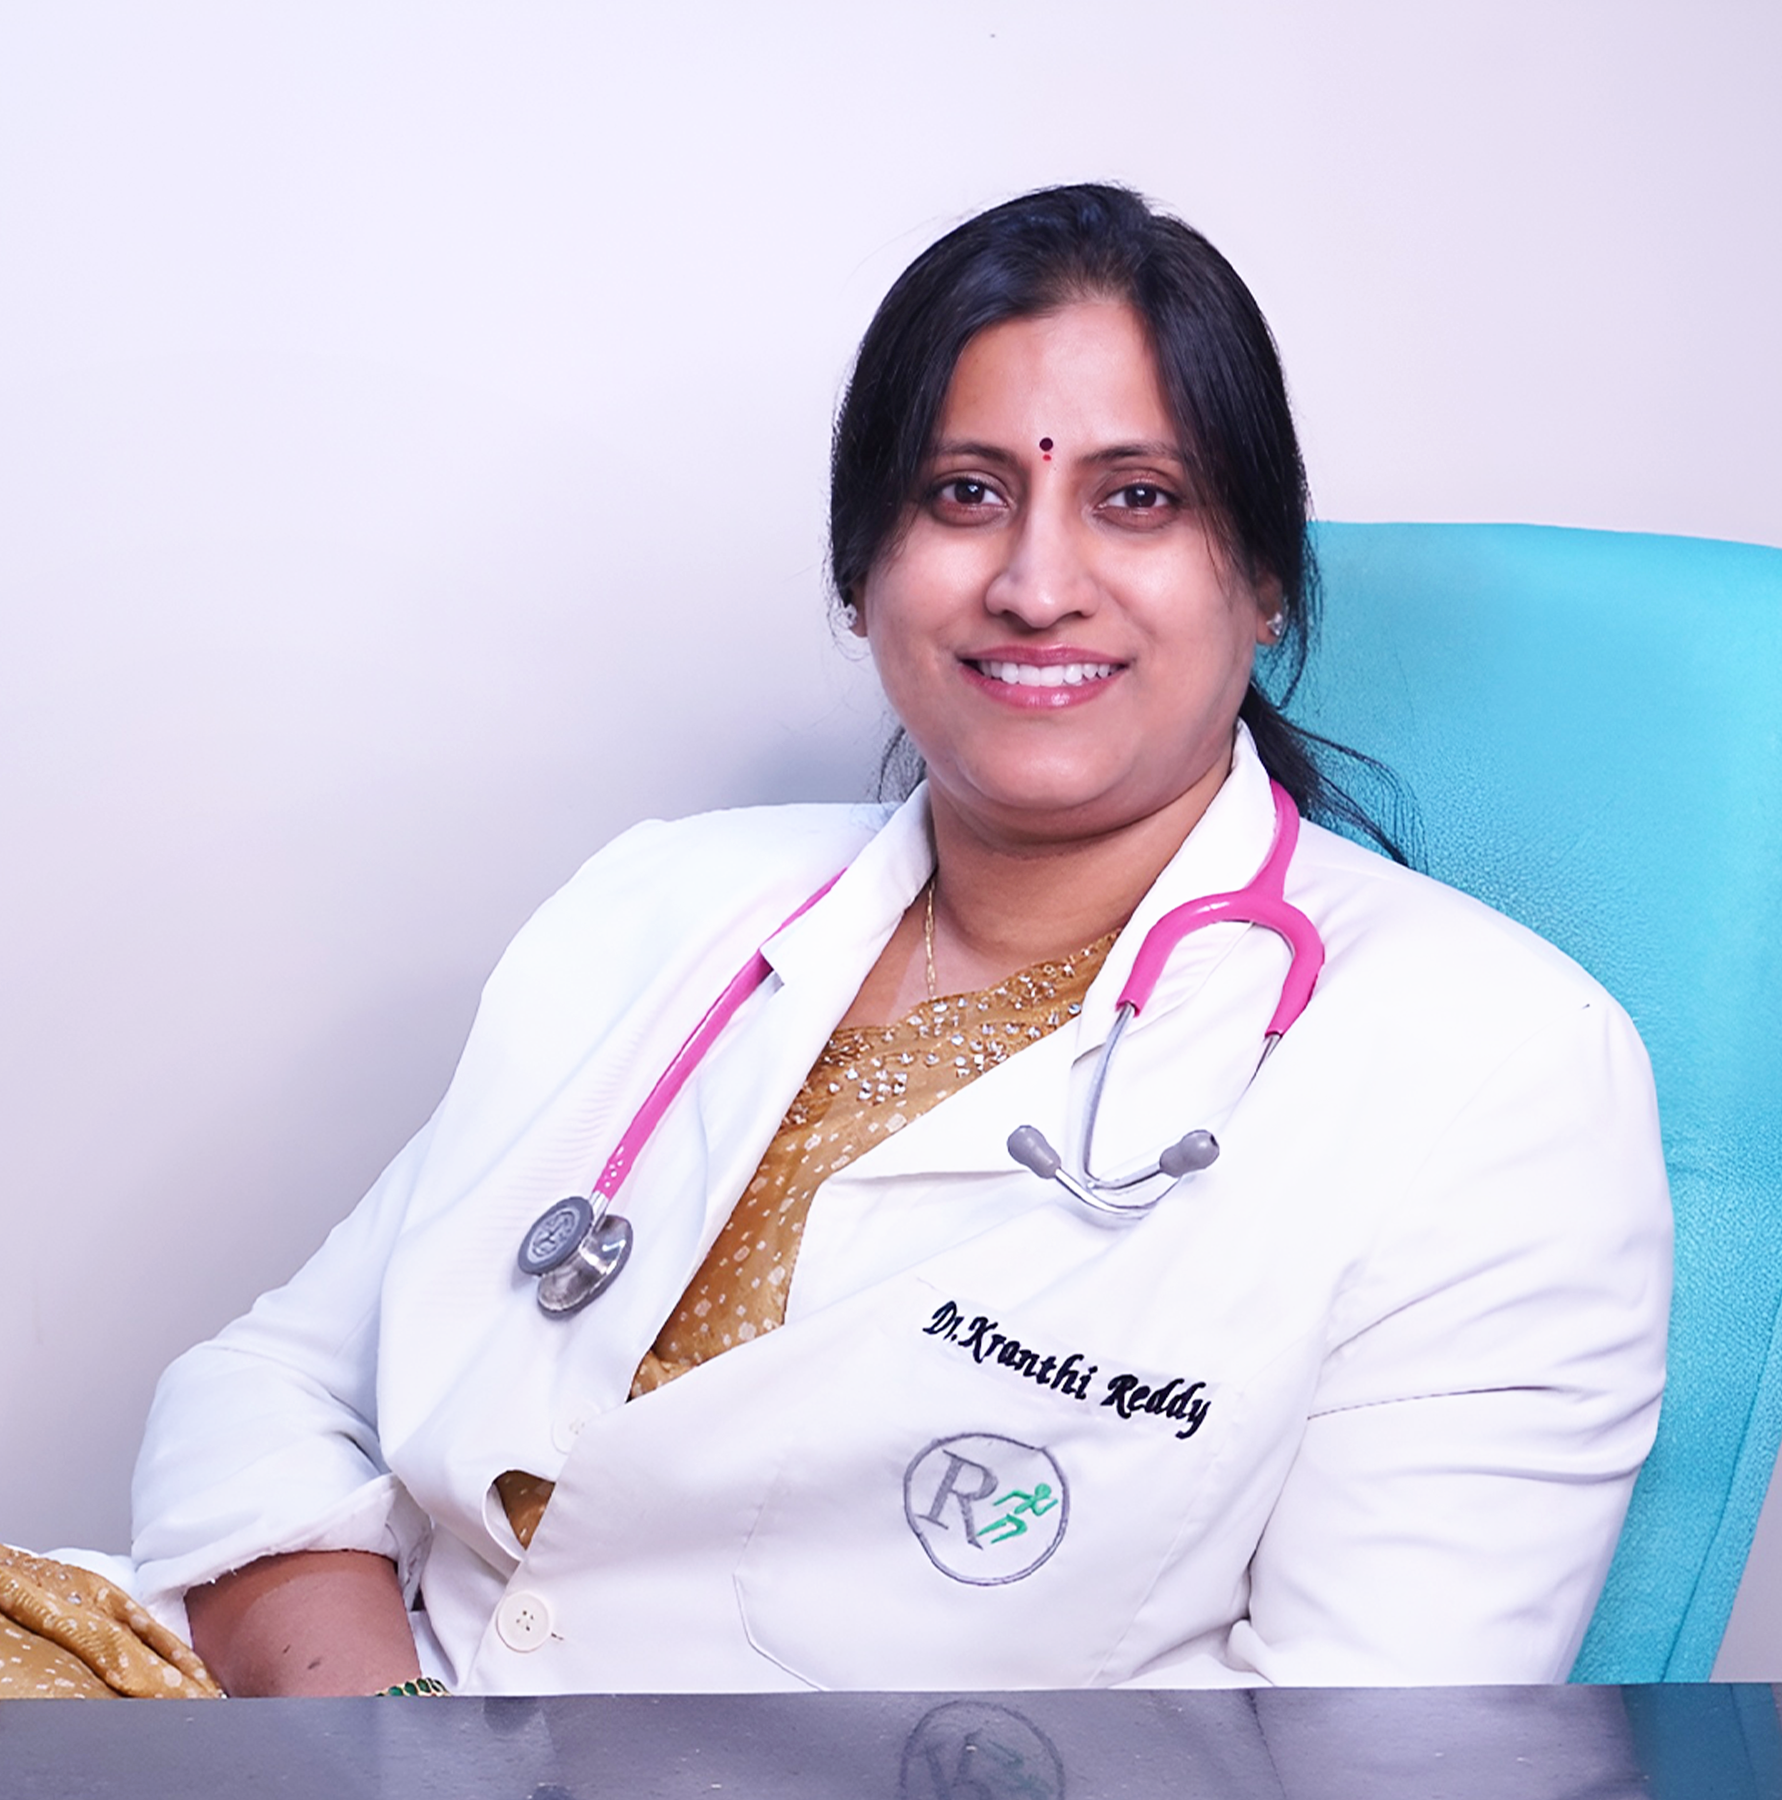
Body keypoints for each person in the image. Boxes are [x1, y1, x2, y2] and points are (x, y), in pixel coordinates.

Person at [31, 184, 1672, 1697]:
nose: (1039, 581)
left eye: (1138, 499)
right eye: (966, 493)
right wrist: (387, 1739)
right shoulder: (660, 908)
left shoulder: (1493, 1073)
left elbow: (1351, 1762)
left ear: (1260, 584)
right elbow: (270, 1391)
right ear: (863, 569)